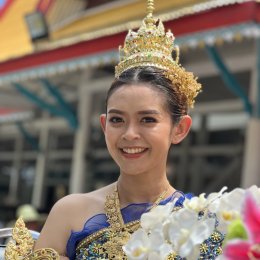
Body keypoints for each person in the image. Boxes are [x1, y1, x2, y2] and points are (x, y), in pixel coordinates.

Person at [33, 1, 204, 259]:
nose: (129, 134)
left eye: (147, 120)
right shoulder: (69, 213)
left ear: (179, 129)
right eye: (117, 120)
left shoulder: (198, 222)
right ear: (104, 126)